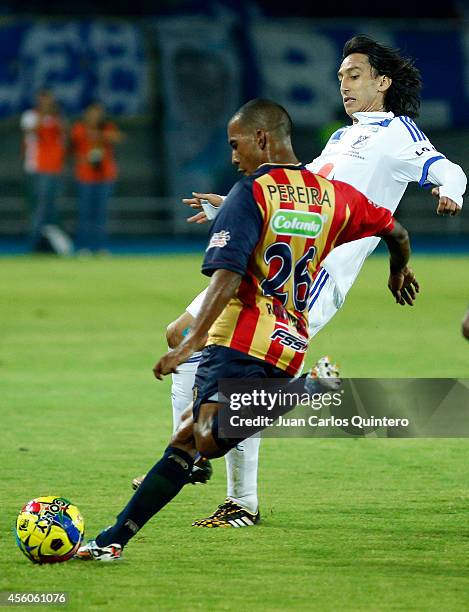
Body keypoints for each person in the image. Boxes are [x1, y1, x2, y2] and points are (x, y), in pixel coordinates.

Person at [76, 98, 417, 561]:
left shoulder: (252, 192)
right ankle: (111, 541)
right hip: (290, 342)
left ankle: (308, 389)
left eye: (236, 145)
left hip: (241, 338)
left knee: (206, 441)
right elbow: (396, 232)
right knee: (185, 442)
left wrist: (189, 344)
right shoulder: (334, 194)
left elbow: (227, 276)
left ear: (261, 138)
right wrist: (399, 271)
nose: (233, 156)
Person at [171, 34, 466, 527]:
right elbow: (298, 187)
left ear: (383, 82)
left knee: (234, 376)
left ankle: (236, 496)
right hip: (274, 259)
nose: (345, 86)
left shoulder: (398, 132)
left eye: (355, 76)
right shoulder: (341, 137)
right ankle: (197, 454)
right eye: (341, 78)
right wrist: (234, 206)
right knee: (181, 337)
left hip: (313, 276)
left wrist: (449, 189)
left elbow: (445, 166)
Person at [70, 101, 123, 254]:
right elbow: (73, 146)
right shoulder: (80, 127)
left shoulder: (106, 127)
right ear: (86, 114)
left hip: (105, 176)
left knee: (102, 215)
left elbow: (118, 138)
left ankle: (100, 247)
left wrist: (100, 134)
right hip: (86, 176)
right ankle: (83, 247)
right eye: (92, 113)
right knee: (85, 214)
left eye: (98, 113)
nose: (95, 116)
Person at [20, 89, 69, 253]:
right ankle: (34, 245)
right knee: (38, 210)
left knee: (53, 210)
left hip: (55, 168)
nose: (47, 103)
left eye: (49, 99)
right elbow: (31, 131)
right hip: (38, 168)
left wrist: (57, 117)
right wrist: (43, 114)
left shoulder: (57, 117)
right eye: (44, 99)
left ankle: (51, 246)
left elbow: (65, 137)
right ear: (38, 99)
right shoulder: (30, 115)